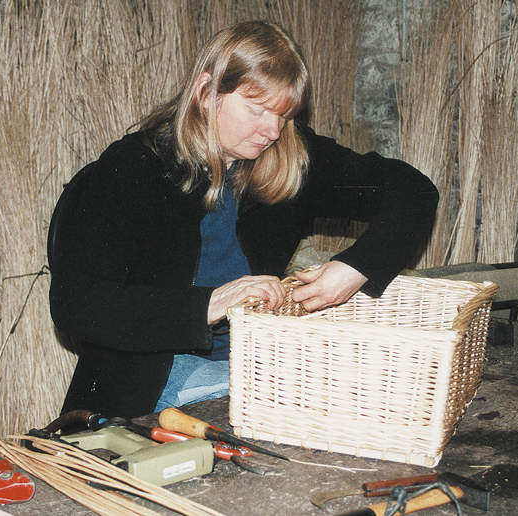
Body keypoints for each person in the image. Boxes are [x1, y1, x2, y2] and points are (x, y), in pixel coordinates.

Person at [48, 20, 438, 419]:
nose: (271, 130)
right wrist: (211, 303)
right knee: (322, 401)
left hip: (257, 352)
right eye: (257, 109)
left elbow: (413, 192)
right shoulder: (134, 168)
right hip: (149, 376)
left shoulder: (292, 158)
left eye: (284, 115)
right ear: (206, 92)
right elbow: (77, 304)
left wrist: (357, 267)